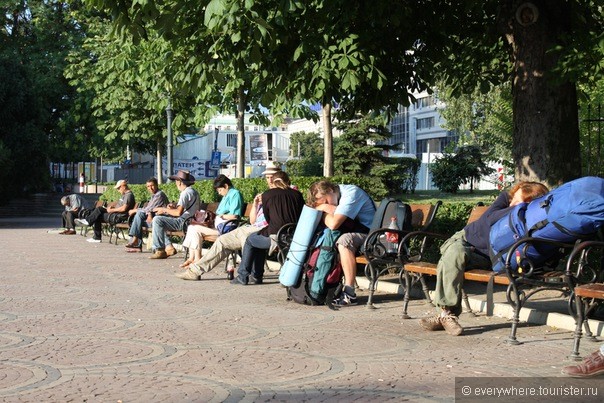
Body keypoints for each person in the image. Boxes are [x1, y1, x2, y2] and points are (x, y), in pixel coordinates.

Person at [419, 181, 549, 336]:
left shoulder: (529, 218)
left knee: (449, 260)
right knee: (453, 255)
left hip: (487, 256)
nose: (512, 202)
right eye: (514, 198)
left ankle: (442, 316)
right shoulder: (504, 199)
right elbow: (490, 218)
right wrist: (518, 207)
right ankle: (448, 314)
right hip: (465, 240)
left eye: (518, 201)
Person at [176, 166, 279, 281]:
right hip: (251, 227)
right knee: (202, 232)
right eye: (267, 177)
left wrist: (221, 216)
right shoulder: (264, 195)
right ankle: (195, 267)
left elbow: (236, 216)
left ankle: (245, 274)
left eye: (272, 177)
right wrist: (255, 205)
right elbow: (253, 221)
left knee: (238, 239)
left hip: (249, 229)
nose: (269, 180)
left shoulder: (236, 194)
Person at [308, 181, 376, 306]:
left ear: (330, 190)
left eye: (327, 201)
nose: (328, 205)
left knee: (344, 241)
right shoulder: (337, 194)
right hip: (356, 231)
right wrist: (323, 208)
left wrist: (323, 211)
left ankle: (350, 293)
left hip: (371, 235)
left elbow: (334, 224)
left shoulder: (351, 194)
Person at [232, 171, 305, 285]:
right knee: (259, 237)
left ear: (274, 182)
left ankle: (243, 275)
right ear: (288, 181)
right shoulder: (297, 194)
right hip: (293, 236)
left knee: (250, 240)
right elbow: (302, 214)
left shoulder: (267, 194)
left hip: (276, 235)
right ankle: (256, 276)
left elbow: (268, 218)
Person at [179, 174, 244, 266]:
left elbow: (234, 216)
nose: (219, 193)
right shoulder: (226, 195)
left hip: (226, 229)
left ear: (226, 186)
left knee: (195, 229)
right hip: (219, 227)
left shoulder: (234, 194)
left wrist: (221, 216)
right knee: (191, 227)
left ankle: (197, 260)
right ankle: (192, 258)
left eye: (220, 190)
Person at [148, 170, 200, 259]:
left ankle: (160, 250)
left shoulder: (185, 193)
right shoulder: (192, 191)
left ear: (179, 182)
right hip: (190, 220)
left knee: (157, 220)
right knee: (159, 221)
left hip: (184, 222)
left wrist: (163, 209)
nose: (175, 184)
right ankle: (168, 246)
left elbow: (178, 212)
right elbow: (182, 209)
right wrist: (173, 207)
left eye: (176, 181)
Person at [124, 177, 169, 252]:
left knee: (139, 214)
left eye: (152, 185)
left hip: (160, 218)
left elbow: (149, 208)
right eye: (148, 186)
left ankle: (136, 242)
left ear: (157, 185)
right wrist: (147, 213)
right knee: (139, 215)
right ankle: (136, 242)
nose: (150, 188)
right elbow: (149, 209)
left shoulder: (159, 194)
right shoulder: (154, 195)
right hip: (154, 216)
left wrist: (135, 210)